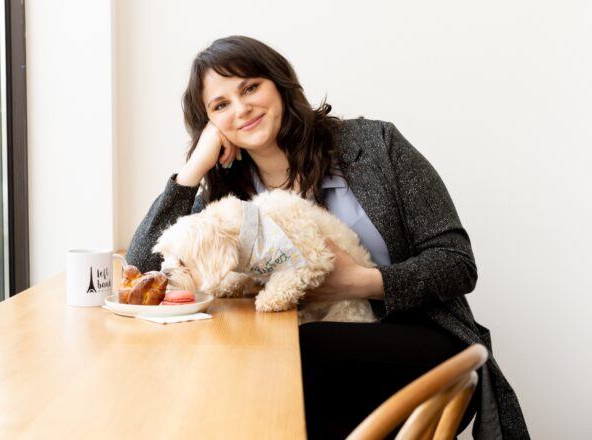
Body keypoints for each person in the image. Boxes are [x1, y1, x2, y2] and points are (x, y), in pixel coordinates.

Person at [126, 35, 529, 439]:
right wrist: (193, 169)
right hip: (323, 378)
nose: (241, 108)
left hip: (425, 345)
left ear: (280, 84)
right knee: (243, 379)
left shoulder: (376, 146)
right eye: (221, 105)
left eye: (250, 87)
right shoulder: (231, 202)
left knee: (292, 355)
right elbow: (144, 270)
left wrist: (361, 283)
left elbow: (457, 264)